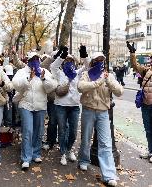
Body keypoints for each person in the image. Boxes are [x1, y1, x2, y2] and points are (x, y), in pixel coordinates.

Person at [77, 52, 123, 186]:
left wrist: (108, 81)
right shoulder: (86, 74)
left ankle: (109, 175)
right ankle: (83, 160)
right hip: (88, 110)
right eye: (97, 60)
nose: (100, 63)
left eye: (102, 60)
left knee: (105, 143)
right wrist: (97, 82)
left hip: (103, 112)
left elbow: (119, 91)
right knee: (86, 138)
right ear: (92, 62)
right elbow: (80, 87)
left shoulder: (109, 76)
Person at [12, 52, 56, 170]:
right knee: (28, 131)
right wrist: (29, 78)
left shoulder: (44, 71)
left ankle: (36, 153)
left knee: (38, 131)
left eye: (37, 59)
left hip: (40, 106)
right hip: (25, 105)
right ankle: (26, 158)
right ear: (28, 60)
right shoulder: (22, 72)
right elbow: (16, 85)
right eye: (33, 59)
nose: (35, 61)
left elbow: (52, 87)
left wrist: (43, 78)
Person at [50, 45, 89, 166]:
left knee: (73, 132)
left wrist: (84, 54)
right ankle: (63, 153)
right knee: (62, 130)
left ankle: (69, 149)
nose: (69, 62)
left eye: (71, 61)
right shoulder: (59, 73)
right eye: (67, 60)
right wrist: (62, 56)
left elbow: (87, 66)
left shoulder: (77, 73)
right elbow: (53, 66)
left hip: (75, 107)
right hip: (60, 106)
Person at [127, 42, 152, 163]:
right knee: (148, 129)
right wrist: (132, 53)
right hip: (146, 105)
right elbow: (134, 65)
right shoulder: (146, 71)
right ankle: (150, 150)